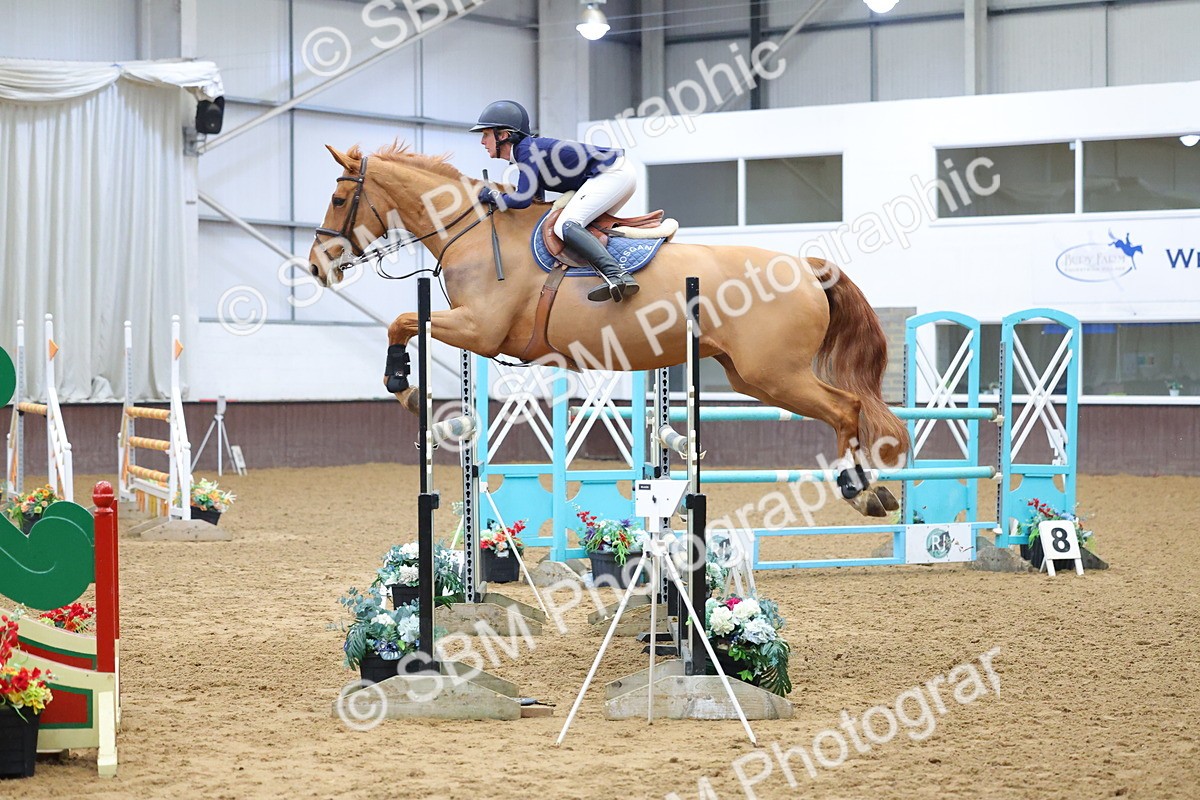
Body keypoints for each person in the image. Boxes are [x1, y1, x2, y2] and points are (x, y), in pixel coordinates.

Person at [471, 100, 639, 303]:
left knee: (566, 225)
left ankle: (617, 275)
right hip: (615, 174)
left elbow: (522, 199)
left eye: (486, 134)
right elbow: (535, 202)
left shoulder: (527, 150)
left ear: (503, 135)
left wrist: (492, 195)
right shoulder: (527, 152)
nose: (482, 142)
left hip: (612, 174)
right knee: (580, 229)